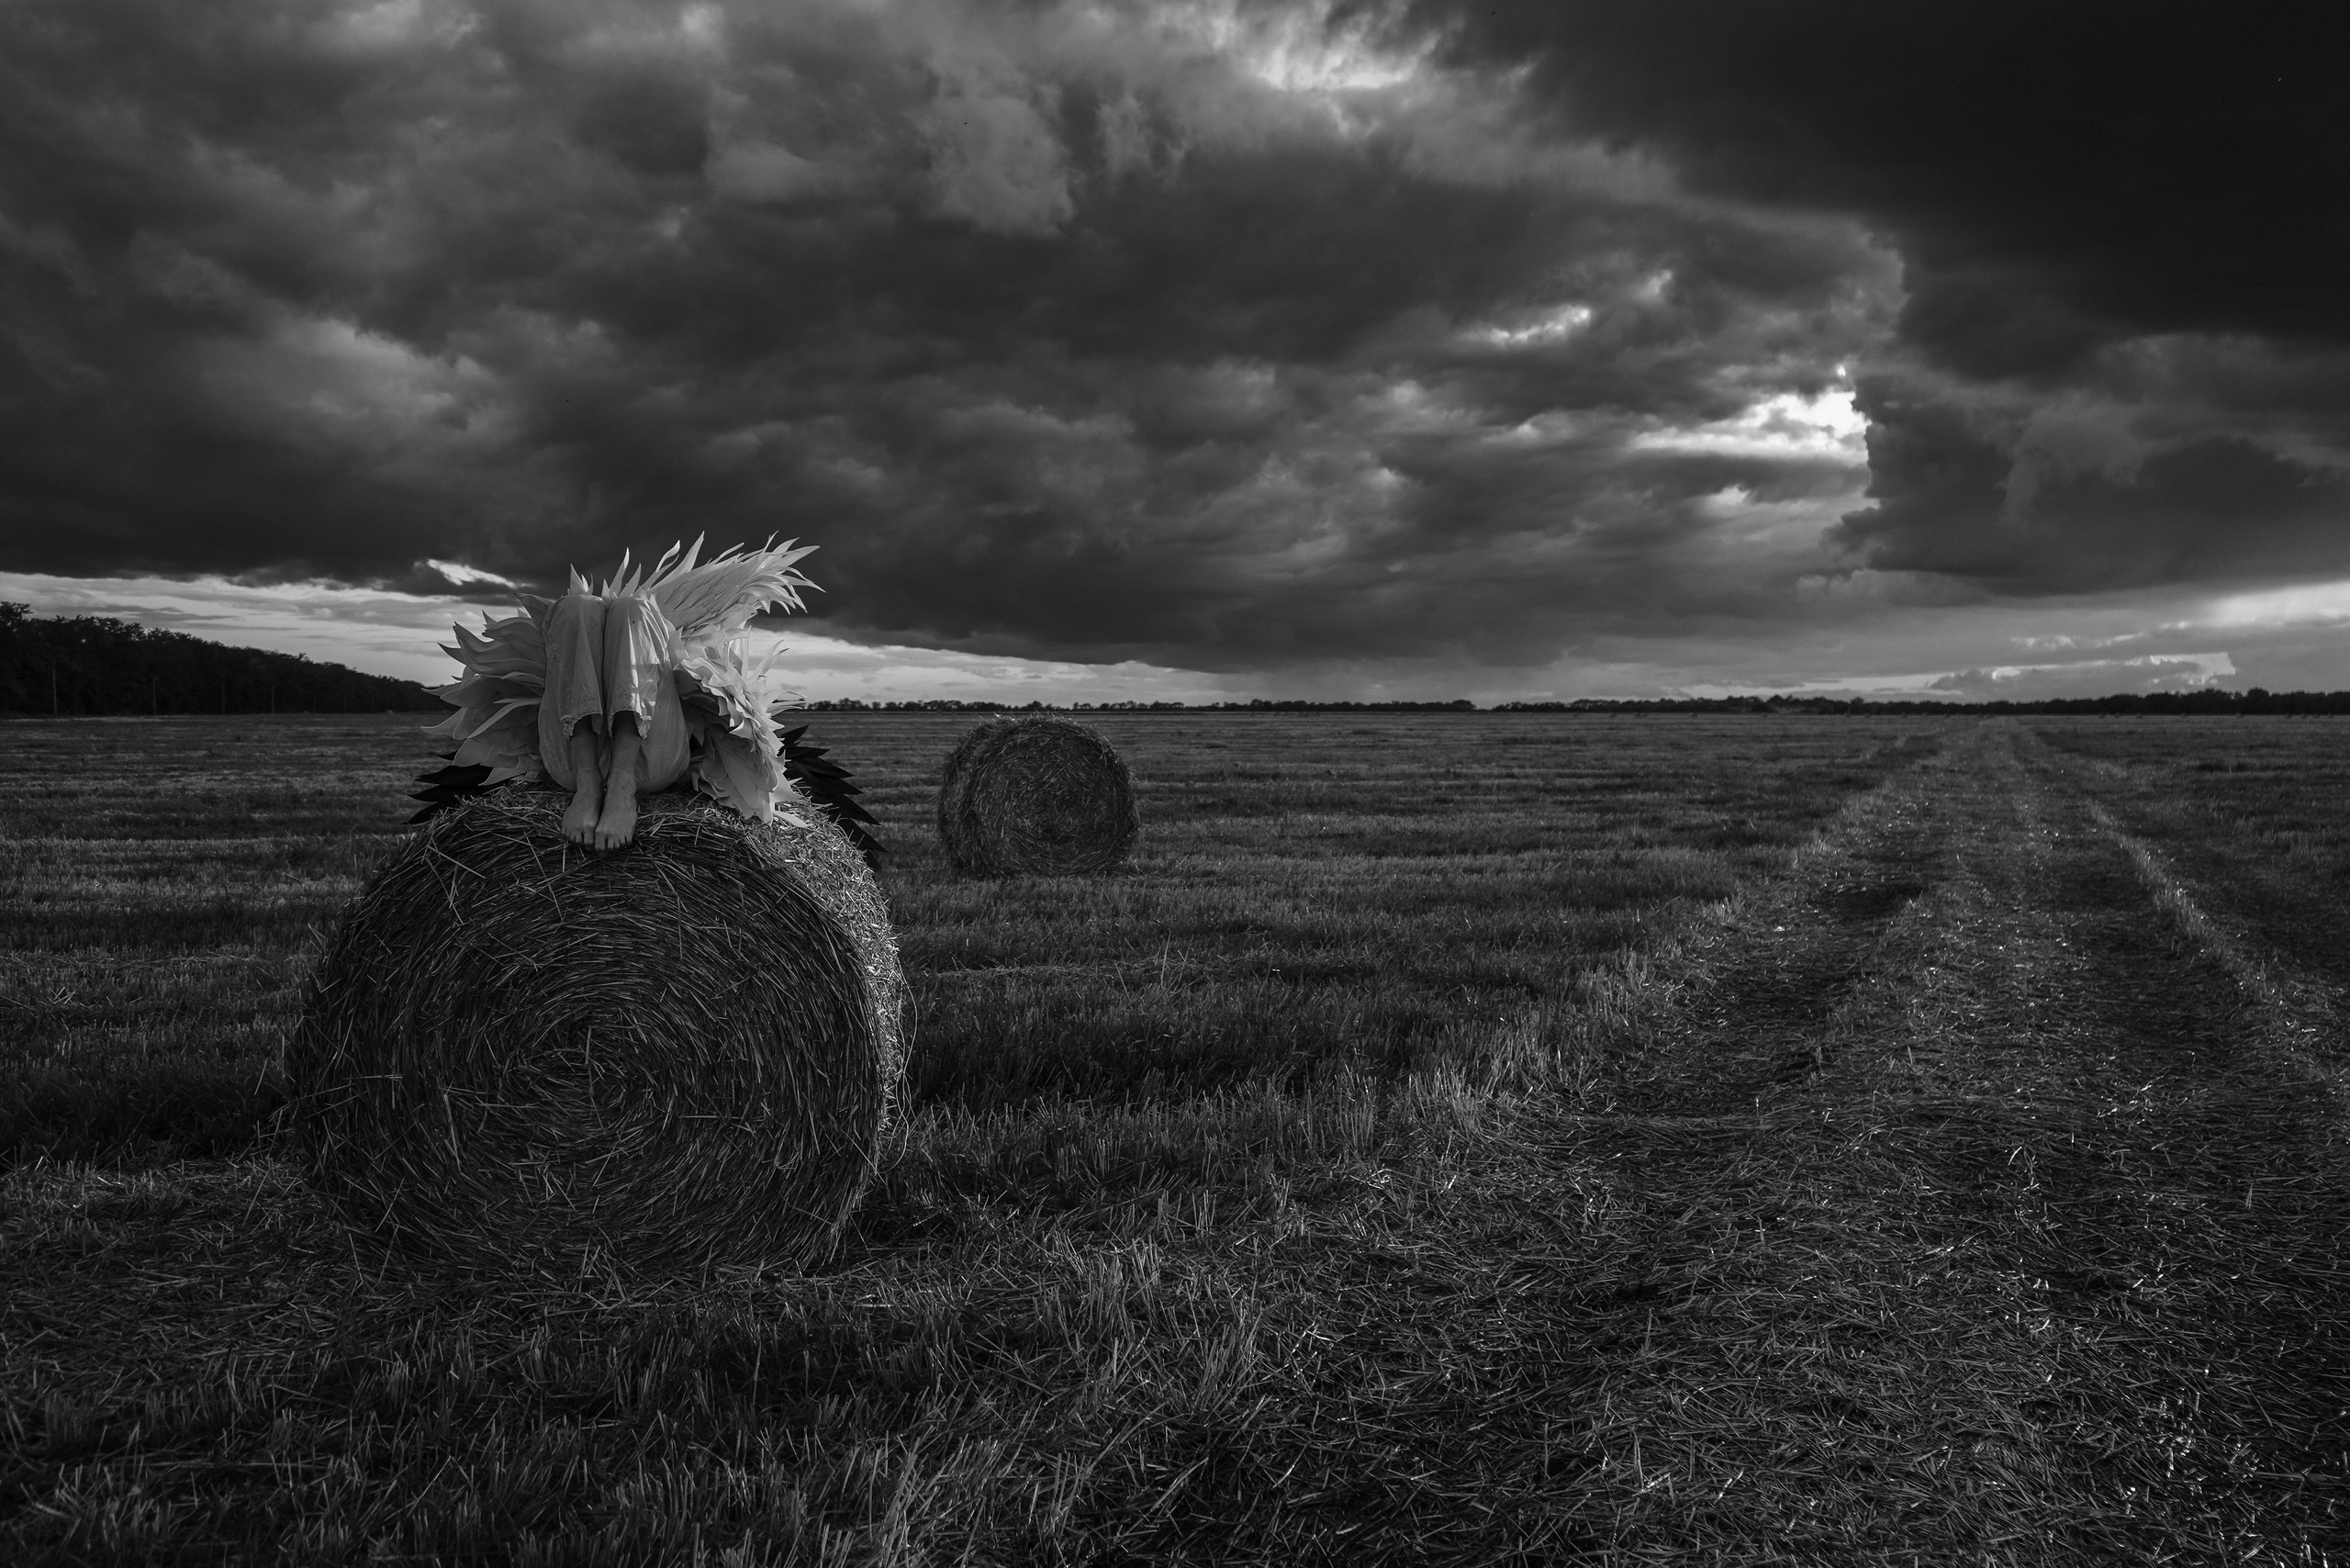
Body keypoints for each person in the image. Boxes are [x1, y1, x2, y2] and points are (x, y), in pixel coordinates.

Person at [427, 537, 820, 847]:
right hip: (572, 760)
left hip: (649, 759)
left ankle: (622, 786)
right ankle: (589, 785)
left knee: (636, 609)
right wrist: (585, 779)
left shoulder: (641, 623)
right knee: (573, 607)